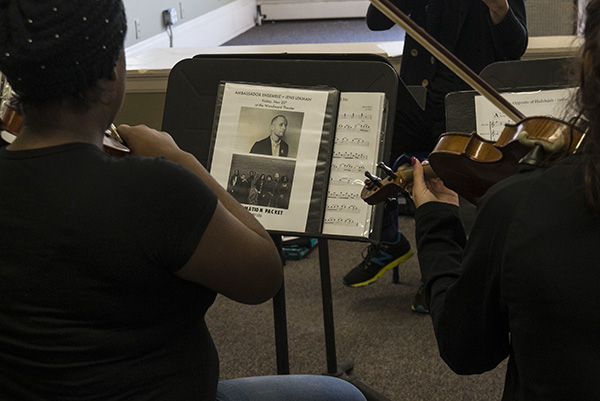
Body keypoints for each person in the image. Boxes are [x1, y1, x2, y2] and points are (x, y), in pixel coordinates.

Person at [0, 2, 367, 400]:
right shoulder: (156, 189)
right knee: (343, 394)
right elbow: (263, 275)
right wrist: (182, 160)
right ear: (111, 70)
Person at [409, 1, 600, 397]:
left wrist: (437, 224)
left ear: (587, 66)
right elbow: (379, 19)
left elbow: (465, 348)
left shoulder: (519, 208)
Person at [343, 0, 528, 313]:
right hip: (418, 94)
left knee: (447, 171)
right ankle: (388, 241)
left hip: (466, 100)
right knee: (374, 134)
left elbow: (515, 47)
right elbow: (377, 21)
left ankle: (442, 269)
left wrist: (500, 11)